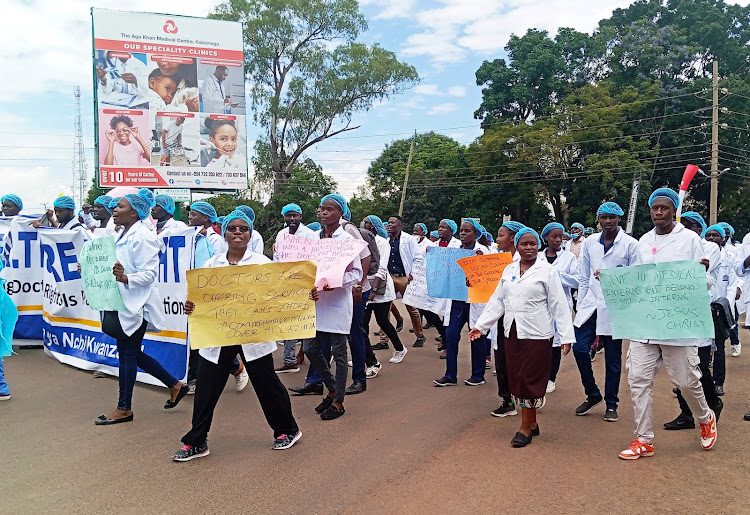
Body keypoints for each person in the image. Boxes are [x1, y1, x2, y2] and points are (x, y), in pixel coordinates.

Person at [173, 210, 301, 461]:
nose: (237, 232)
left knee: (267, 385)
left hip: (253, 334)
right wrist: (192, 306)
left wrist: (306, 297)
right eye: (232, 228)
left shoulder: (262, 264)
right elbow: (201, 297)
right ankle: (196, 441)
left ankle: (287, 430)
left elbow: (281, 294)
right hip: (220, 334)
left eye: (243, 229)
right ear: (225, 233)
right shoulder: (212, 265)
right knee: (207, 388)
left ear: (250, 234)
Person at [619, 188, 717, 460]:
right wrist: (612, 281)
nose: (659, 212)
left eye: (664, 208)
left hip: (677, 323)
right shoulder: (643, 242)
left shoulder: (689, 240)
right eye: (654, 208)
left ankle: (705, 416)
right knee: (638, 380)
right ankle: (644, 439)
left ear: (674, 210)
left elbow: (705, 282)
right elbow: (638, 279)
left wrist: (702, 273)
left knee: (686, 381)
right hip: (646, 322)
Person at [470, 228, 575, 447]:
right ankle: (533, 423)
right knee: (517, 376)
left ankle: (525, 428)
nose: (528, 248)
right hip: (512, 332)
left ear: (539, 246)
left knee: (530, 378)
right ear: (517, 246)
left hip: (537, 335)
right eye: (524, 244)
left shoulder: (547, 271)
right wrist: (481, 326)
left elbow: (559, 305)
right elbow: (498, 301)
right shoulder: (509, 269)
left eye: (533, 244)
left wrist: (566, 336)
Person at [94, 190, 188, 425]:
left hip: (138, 305)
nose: (114, 210)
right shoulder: (123, 233)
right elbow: (113, 264)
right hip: (124, 301)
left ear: (134, 212)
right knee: (132, 353)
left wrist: (125, 278)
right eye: (115, 207)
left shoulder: (143, 236)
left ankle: (124, 408)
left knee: (127, 354)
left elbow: (148, 274)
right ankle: (175, 385)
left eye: (120, 207)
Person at [572, 202, 637, 423]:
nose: (607, 221)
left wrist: (613, 279)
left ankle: (611, 404)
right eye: (603, 217)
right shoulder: (590, 243)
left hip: (615, 308)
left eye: (612, 217)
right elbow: (583, 276)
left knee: (612, 360)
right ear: (598, 220)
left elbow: (637, 277)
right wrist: (580, 305)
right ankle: (592, 393)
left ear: (619, 218)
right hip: (590, 304)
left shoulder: (630, 245)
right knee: (579, 349)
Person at [302, 195, 363, 420]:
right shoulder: (315, 238)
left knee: (339, 353)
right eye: (321, 209)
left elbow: (356, 273)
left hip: (337, 302)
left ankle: (338, 402)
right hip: (317, 302)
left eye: (329, 209)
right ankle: (331, 387)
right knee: (309, 348)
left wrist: (334, 283)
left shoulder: (346, 240)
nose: (324, 212)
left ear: (341, 213)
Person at [663, 220, 726, 431]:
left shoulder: (710, 248)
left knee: (698, 366)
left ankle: (713, 402)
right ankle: (686, 413)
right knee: (679, 367)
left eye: (693, 226)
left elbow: (701, 276)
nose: (688, 231)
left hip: (697, 313)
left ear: (700, 229)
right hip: (676, 314)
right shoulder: (674, 246)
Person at [434, 218, 491, 387]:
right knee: (451, 335)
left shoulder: (483, 251)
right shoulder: (454, 250)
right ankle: (450, 375)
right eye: (462, 231)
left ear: (476, 234)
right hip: (457, 301)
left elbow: (488, 278)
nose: (463, 233)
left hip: (475, 301)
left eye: (467, 231)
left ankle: (478, 375)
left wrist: (479, 266)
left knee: (476, 337)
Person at [273, 203, 315, 373]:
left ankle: (312, 356)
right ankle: (289, 360)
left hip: (305, 283)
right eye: (288, 216)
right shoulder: (281, 234)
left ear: (300, 216)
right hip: (285, 284)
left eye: (295, 216)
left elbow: (314, 260)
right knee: (288, 320)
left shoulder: (310, 235)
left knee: (306, 320)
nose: (291, 219)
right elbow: (277, 257)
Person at [363, 215, 407, 373]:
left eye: (366, 223)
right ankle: (363, 355)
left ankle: (400, 348)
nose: (363, 225)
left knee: (383, 321)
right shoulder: (362, 242)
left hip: (380, 288)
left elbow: (382, 269)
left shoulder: (382, 243)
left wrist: (373, 291)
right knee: (362, 325)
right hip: (365, 287)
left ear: (372, 227)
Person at [539, 222, 579, 394]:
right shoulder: (538, 256)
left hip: (560, 305)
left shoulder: (569, 257)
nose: (558, 240)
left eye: (560, 236)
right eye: (554, 236)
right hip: (540, 305)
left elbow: (577, 281)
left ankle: (551, 378)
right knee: (540, 342)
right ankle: (540, 375)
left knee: (555, 343)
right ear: (546, 237)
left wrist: (557, 276)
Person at [489, 221, 523, 417]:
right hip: (499, 314)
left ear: (512, 238)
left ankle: (528, 398)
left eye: (501, 235)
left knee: (520, 359)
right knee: (501, 358)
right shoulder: (494, 260)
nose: (497, 239)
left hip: (520, 317)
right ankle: (507, 400)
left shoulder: (527, 260)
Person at [387, 215, 426, 347]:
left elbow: (418, 258)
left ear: (400, 226)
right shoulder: (387, 241)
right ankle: (383, 340)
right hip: (389, 277)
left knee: (411, 307)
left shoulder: (408, 239)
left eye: (393, 223)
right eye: (388, 223)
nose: (389, 225)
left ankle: (420, 335)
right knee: (385, 307)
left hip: (404, 277)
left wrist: (413, 273)